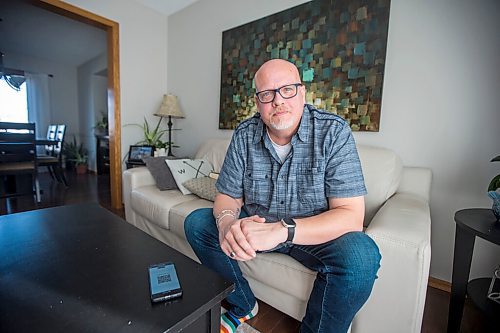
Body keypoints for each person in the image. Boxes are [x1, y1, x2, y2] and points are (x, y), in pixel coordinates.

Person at [184, 59, 381, 333]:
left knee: (362, 256)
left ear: (302, 93)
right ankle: (243, 304)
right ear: (257, 103)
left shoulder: (333, 132)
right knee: (197, 223)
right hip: (257, 224)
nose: (277, 101)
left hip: (313, 235)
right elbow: (227, 196)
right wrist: (227, 224)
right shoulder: (244, 135)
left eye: (287, 89)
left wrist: (283, 230)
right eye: (267, 94)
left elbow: (351, 217)